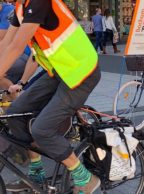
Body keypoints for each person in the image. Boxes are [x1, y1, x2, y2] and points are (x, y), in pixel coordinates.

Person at [3, 0, 101, 193]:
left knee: (42, 129)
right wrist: (21, 83)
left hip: (82, 72)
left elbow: (15, 47)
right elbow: (5, 43)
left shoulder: (39, 2)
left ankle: (85, 178)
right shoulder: (21, 7)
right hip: (60, 72)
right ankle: (36, 172)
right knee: (15, 112)